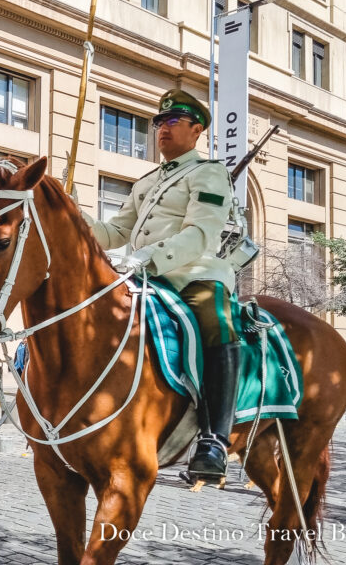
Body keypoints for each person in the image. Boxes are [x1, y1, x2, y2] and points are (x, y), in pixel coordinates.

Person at [81, 89, 238, 481]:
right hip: (142, 275)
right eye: (158, 124)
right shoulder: (147, 181)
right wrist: (76, 221)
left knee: (215, 320)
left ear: (196, 129)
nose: (162, 130)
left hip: (193, 275)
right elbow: (117, 230)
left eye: (172, 123)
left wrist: (148, 256)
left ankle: (214, 438)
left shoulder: (209, 172)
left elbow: (201, 234)